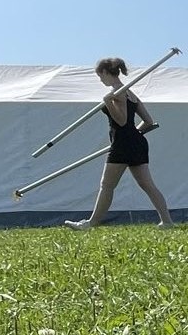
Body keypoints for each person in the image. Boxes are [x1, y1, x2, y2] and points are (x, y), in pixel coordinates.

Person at [64, 57, 174, 230]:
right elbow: (148, 121)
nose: (100, 80)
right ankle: (167, 221)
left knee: (106, 185)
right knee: (147, 184)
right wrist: (135, 134)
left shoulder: (118, 93)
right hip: (137, 142)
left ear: (107, 72)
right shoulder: (130, 92)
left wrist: (108, 102)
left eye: (100, 76)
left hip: (122, 144)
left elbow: (122, 121)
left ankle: (90, 224)